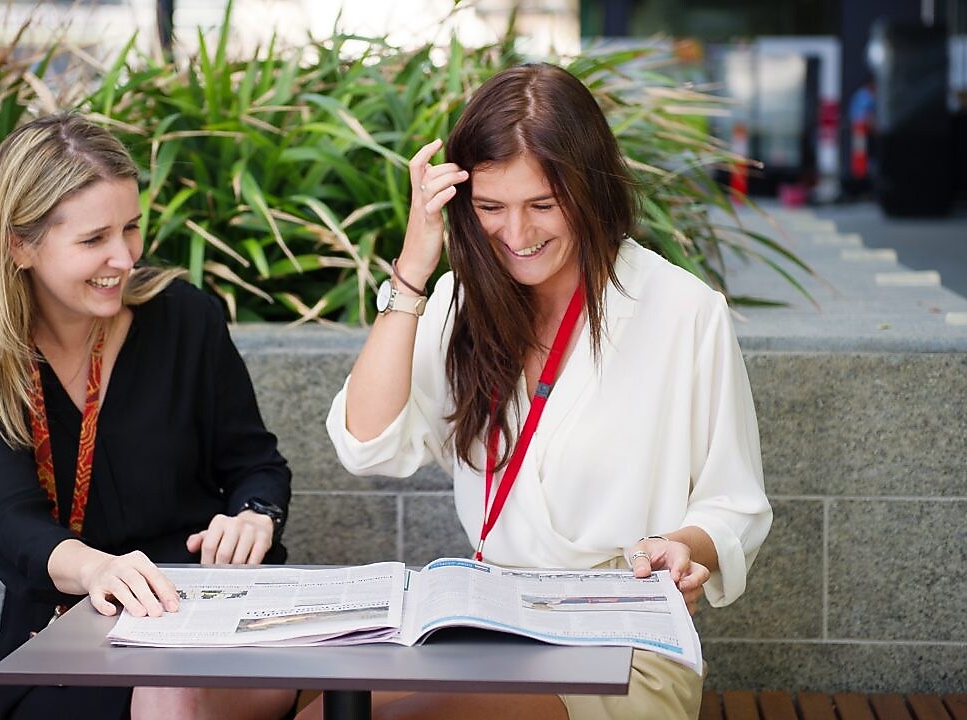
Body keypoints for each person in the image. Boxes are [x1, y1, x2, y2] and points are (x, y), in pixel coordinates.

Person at [320, 63, 772, 719]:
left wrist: (686, 548)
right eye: (490, 208)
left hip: (623, 641)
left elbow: (735, 504)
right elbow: (366, 444)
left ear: (588, 191)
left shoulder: (682, 310)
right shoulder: (458, 303)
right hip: (489, 626)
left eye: (542, 205)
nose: (517, 235)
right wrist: (415, 272)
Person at [0, 113, 296, 719]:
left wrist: (255, 517)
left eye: (131, 229)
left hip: (210, 611)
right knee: (168, 698)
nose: (123, 258)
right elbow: (11, 523)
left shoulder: (186, 317)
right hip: (64, 631)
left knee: (179, 692)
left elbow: (257, 465)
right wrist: (98, 570)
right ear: (20, 244)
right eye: (94, 239)